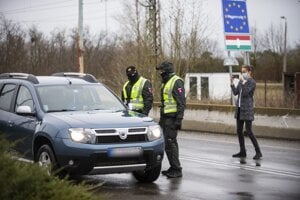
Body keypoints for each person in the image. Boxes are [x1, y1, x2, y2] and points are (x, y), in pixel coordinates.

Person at [156, 61, 186, 178]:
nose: (160, 73)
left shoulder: (176, 81)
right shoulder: (166, 82)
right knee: (167, 144)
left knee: (170, 142)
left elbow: (181, 103)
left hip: (172, 118)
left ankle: (177, 169)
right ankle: (173, 167)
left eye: (162, 71)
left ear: (167, 70)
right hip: (165, 118)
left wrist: (179, 120)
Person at [231, 65, 262, 160]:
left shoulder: (252, 82)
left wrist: (243, 82)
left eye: (244, 71)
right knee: (239, 131)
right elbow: (236, 92)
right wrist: (232, 83)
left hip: (247, 110)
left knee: (249, 131)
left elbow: (245, 93)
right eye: (241, 71)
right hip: (240, 109)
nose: (242, 73)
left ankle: (258, 152)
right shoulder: (241, 81)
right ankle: (242, 151)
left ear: (249, 72)